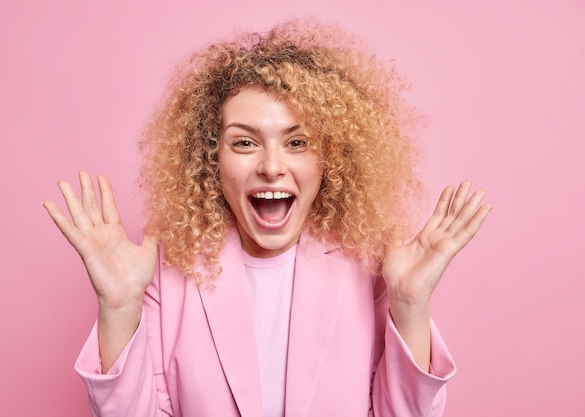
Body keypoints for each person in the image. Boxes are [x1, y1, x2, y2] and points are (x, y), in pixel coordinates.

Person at [43, 18, 491, 417]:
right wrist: (119, 309)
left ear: (330, 158)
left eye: (297, 143)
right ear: (210, 158)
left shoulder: (370, 262)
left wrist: (409, 306)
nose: (272, 166)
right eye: (244, 142)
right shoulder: (165, 263)